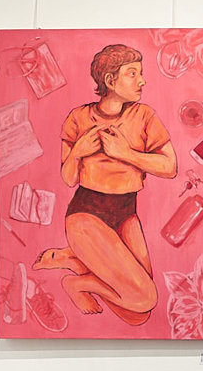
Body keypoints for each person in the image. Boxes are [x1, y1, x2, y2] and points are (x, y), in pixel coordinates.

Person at [33, 44, 177, 325]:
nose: (142, 81)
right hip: (87, 214)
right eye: (132, 74)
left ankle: (75, 261)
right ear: (110, 81)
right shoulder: (78, 118)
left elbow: (170, 167)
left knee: (137, 316)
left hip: (126, 213)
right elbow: (69, 178)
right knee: (145, 298)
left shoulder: (145, 116)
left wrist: (127, 154)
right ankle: (75, 284)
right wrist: (78, 151)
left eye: (141, 73)